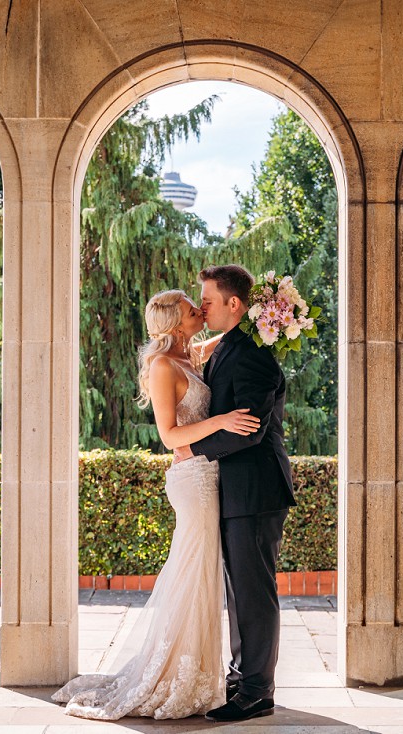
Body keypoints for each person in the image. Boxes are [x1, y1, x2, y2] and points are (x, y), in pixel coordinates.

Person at [52, 289, 259, 720]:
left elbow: (239, 332)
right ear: (173, 322)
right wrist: (222, 420)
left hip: (209, 475)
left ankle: (199, 673)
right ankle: (171, 676)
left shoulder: (193, 354)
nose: (198, 310)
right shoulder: (164, 366)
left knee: (202, 574)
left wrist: (271, 310)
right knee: (192, 572)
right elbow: (169, 435)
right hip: (193, 481)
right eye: (190, 308)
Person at [179, 264, 296, 722]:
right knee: (238, 589)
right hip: (235, 491)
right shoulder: (230, 346)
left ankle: (257, 692)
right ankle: (240, 679)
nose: (201, 306)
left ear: (235, 304)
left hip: (256, 490)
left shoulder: (254, 356)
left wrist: (191, 447)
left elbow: (248, 431)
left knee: (253, 593)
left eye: (208, 300)